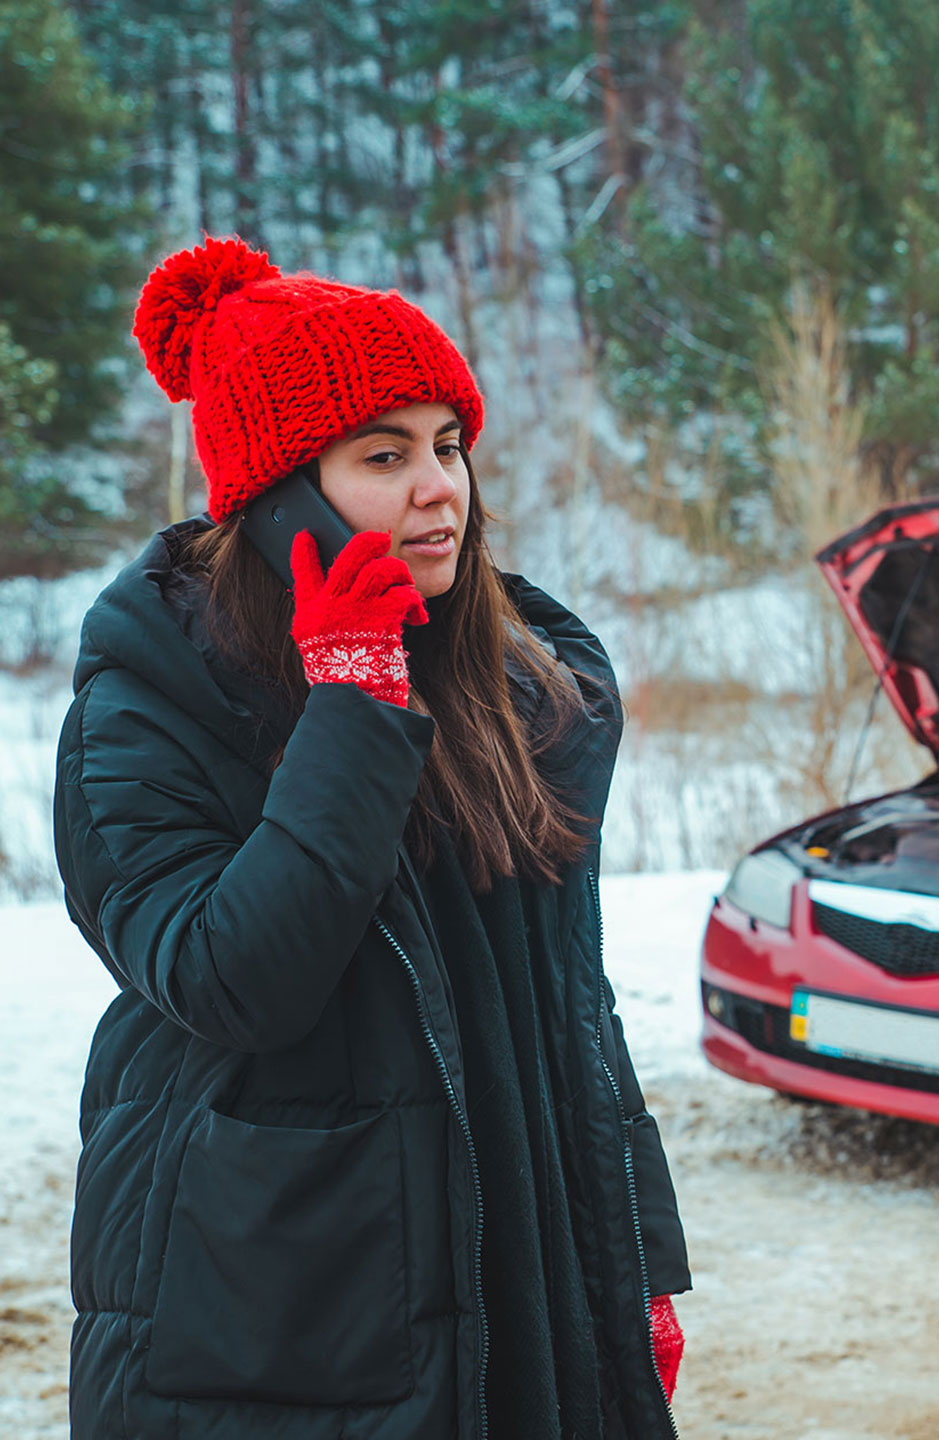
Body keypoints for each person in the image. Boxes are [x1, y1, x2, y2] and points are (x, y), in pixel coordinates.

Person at [52, 236, 688, 1440]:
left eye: (448, 444)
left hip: (530, 1278)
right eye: (382, 455)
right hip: (291, 1306)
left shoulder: (515, 684)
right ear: (279, 493)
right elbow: (230, 978)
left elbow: (570, 1009)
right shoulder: (149, 696)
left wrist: (634, 1264)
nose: (439, 487)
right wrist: (351, 702)